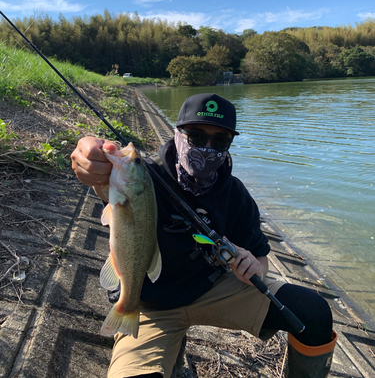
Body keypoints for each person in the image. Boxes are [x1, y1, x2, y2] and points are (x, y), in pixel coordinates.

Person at [71, 93, 337, 378]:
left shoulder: (236, 195)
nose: (208, 148)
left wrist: (253, 265)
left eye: (220, 141)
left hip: (212, 289)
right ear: (177, 134)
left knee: (313, 312)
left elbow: (261, 259)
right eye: (196, 137)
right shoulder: (143, 176)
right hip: (149, 305)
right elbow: (97, 169)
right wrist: (89, 157)